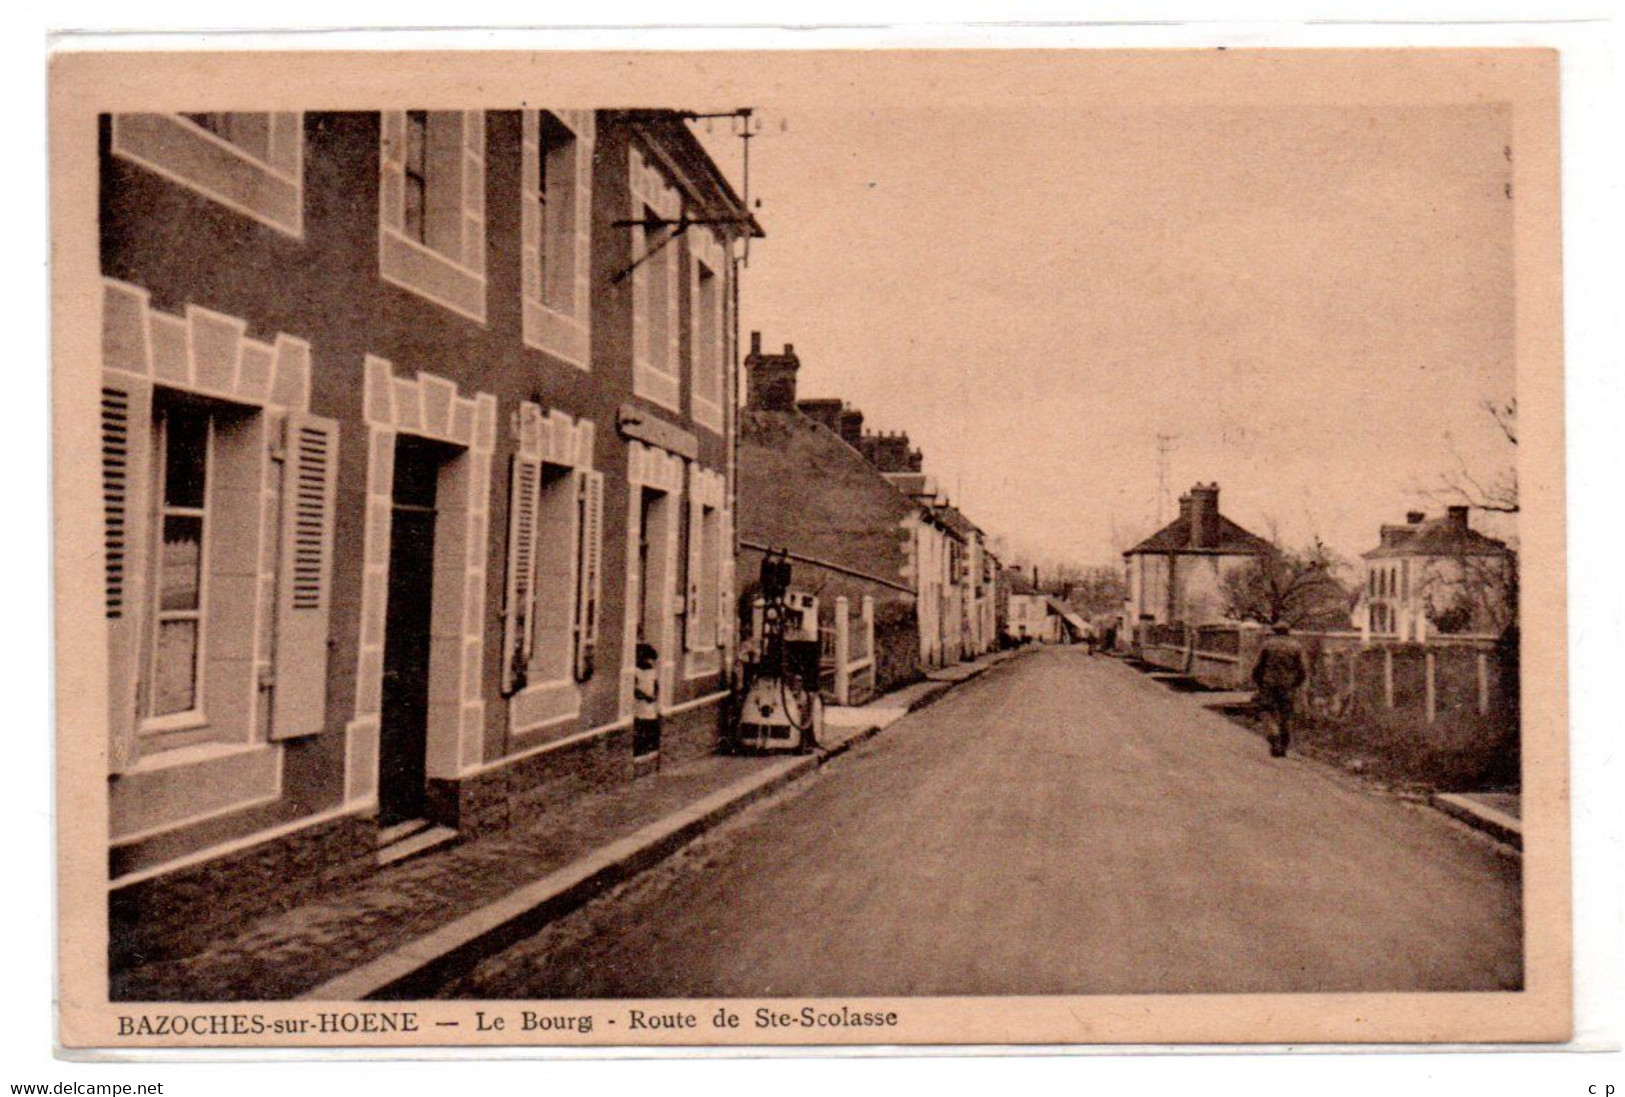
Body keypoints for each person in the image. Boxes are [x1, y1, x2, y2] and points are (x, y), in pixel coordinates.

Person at [1251, 622, 1309, 757]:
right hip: (1288, 685)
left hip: (1268, 683)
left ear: (1274, 631)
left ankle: (1273, 734)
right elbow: (1303, 669)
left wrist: (1258, 682)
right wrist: (1296, 683)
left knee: (1266, 710)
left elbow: (1257, 666)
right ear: (1288, 632)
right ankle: (1283, 745)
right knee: (1286, 714)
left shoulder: (1267, 645)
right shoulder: (1296, 646)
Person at [633, 643, 661, 763]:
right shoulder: (635, 671)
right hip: (639, 703)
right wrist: (646, 696)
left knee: (650, 723)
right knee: (641, 724)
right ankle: (640, 749)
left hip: (649, 703)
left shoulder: (651, 670)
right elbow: (634, 689)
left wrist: (654, 695)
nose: (649, 662)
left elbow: (655, 684)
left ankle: (648, 747)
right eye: (646, 658)